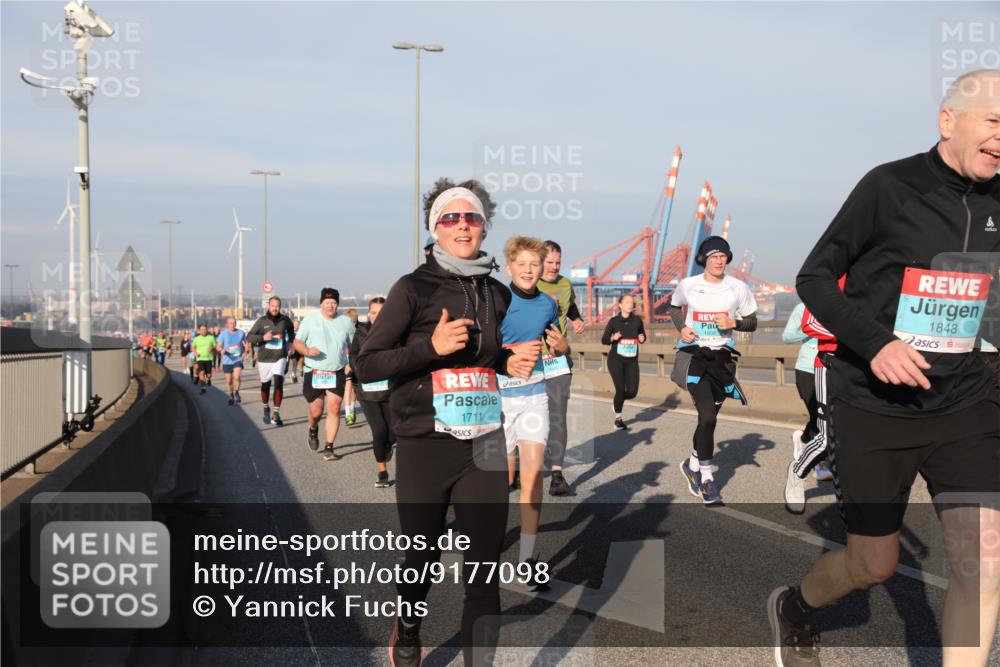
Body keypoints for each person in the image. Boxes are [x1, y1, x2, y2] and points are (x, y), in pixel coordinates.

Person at [768, 69, 1000, 667]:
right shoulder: (889, 186)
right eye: (994, 122)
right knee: (874, 564)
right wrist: (876, 344)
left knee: (984, 559)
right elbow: (813, 278)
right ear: (949, 121)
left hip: (970, 403)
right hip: (876, 404)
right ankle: (796, 606)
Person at [354, 179, 539, 667]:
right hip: (424, 446)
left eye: (472, 217)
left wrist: (508, 362)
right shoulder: (412, 288)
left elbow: (486, 355)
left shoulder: (496, 293)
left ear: (484, 226)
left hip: (484, 444)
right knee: (419, 561)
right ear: (434, 227)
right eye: (450, 218)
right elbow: (368, 364)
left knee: (483, 572)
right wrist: (428, 349)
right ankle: (409, 627)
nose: (462, 225)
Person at [498, 235, 569, 592]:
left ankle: (527, 559)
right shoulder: (496, 300)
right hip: (496, 399)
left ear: (542, 269)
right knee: (492, 482)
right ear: (509, 267)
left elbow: (558, 345)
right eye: (521, 264)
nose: (528, 270)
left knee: (532, 477)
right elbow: (482, 348)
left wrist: (561, 346)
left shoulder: (547, 304)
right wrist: (508, 353)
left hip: (533, 397)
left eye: (534, 264)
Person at [670, 235, 758, 505]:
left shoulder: (738, 288)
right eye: (713, 257)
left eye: (723, 256)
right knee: (707, 416)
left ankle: (693, 463)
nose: (719, 261)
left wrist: (734, 322)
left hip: (722, 361)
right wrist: (682, 328)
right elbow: (674, 308)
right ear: (704, 260)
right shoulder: (688, 286)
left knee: (709, 419)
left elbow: (753, 322)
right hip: (695, 358)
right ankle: (707, 479)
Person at [536, 240, 587, 496]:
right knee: (536, 415)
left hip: (558, 359)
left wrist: (577, 320)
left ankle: (557, 473)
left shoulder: (566, 284)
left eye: (558, 262)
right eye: (550, 262)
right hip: (531, 361)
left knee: (557, 414)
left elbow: (570, 307)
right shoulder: (530, 282)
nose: (554, 267)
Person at [293, 288, 355, 459]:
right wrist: (305, 350)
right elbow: (297, 342)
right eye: (327, 302)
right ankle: (313, 429)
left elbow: (354, 345)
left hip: (336, 370)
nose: (330, 306)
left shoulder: (346, 322)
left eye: (333, 302)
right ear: (321, 303)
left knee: (334, 408)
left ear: (337, 304)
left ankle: (329, 447)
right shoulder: (310, 320)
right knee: (316, 411)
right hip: (315, 370)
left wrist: (350, 363)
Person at [782, 302, 834, 483]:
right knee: (819, 415)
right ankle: (819, 465)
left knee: (826, 417)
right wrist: (812, 329)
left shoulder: (840, 305)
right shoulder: (803, 308)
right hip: (807, 369)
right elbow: (787, 336)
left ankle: (804, 439)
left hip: (833, 369)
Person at [349, 297, 394, 487]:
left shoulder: (395, 331)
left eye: (381, 312)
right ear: (369, 313)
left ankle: (387, 444)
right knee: (379, 430)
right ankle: (382, 472)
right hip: (367, 390)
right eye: (374, 312)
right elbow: (353, 356)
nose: (377, 316)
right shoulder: (361, 332)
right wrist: (360, 371)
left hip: (390, 389)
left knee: (393, 433)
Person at [248, 297, 296, 426]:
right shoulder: (261, 321)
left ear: (280, 307)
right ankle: (266, 408)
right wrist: (263, 337)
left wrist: (291, 343)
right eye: (273, 306)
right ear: (268, 306)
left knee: (278, 382)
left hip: (279, 356)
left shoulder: (285, 320)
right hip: (264, 358)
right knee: (265, 385)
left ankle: (276, 413)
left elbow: (291, 331)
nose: (275, 308)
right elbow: (249, 336)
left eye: (277, 306)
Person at [601, 294, 646, 430]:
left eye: (632, 302)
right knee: (620, 389)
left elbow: (642, 335)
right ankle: (618, 419)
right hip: (616, 360)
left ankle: (617, 401)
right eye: (627, 302)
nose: (630, 304)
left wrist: (642, 337)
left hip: (632, 361)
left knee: (632, 392)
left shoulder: (637, 321)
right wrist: (613, 337)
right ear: (620, 305)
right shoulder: (614, 321)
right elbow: (604, 340)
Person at [217, 317, 248, 405]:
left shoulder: (241, 333)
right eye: (231, 323)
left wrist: (245, 352)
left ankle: (237, 392)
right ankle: (231, 395)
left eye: (234, 323)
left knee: (237, 377)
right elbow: (218, 346)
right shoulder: (224, 334)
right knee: (229, 381)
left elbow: (246, 343)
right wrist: (221, 350)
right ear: (227, 324)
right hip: (227, 360)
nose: (233, 325)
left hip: (237, 359)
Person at [342, 308, 359, 426]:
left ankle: (351, 410)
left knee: (354, 389)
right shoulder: (341, 331)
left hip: (356, 362)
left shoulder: (360, 329)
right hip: (347, 363)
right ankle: (348, 413)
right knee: (349, 387)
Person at [191, 324, 217, 395]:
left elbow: (215, 345)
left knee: (208, 374)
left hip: (209, 358)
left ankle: (208, 379)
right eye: (202, 330)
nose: (203, 331)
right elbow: (192, 347)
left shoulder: (211, 337)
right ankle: (203, 388)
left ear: (207, 330)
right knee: (201, 372)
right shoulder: (196, 338)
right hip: (200, 358)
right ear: (199, 330)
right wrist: (195, 352)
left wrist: (211, 348)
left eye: (205, 329)